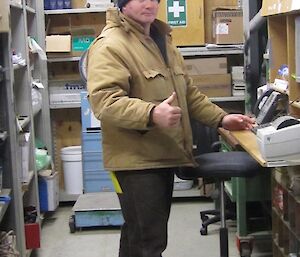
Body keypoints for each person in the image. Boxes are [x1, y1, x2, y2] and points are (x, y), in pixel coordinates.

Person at [86, 1, 255, 257]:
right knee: (149, 242)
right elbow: (104, 103)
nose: (150, 3)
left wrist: (222, 119)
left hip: (160, 154)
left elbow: (188, 95)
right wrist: (152, 113)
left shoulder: (160, 39)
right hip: (136, 161)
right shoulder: (111, 44)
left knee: (139, 236)